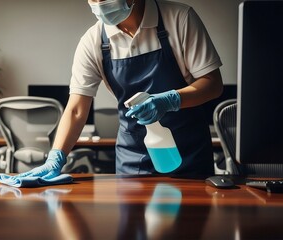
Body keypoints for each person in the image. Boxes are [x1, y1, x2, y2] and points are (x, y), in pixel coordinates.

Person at [15, 0, 222, 179]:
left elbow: (212, 84)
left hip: (189, 153)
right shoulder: (93, 41)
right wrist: (55, 157)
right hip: (133, 158)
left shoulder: (179, 18)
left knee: (190, 222)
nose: (98, 4)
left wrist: (170, 100)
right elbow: (77, 109)